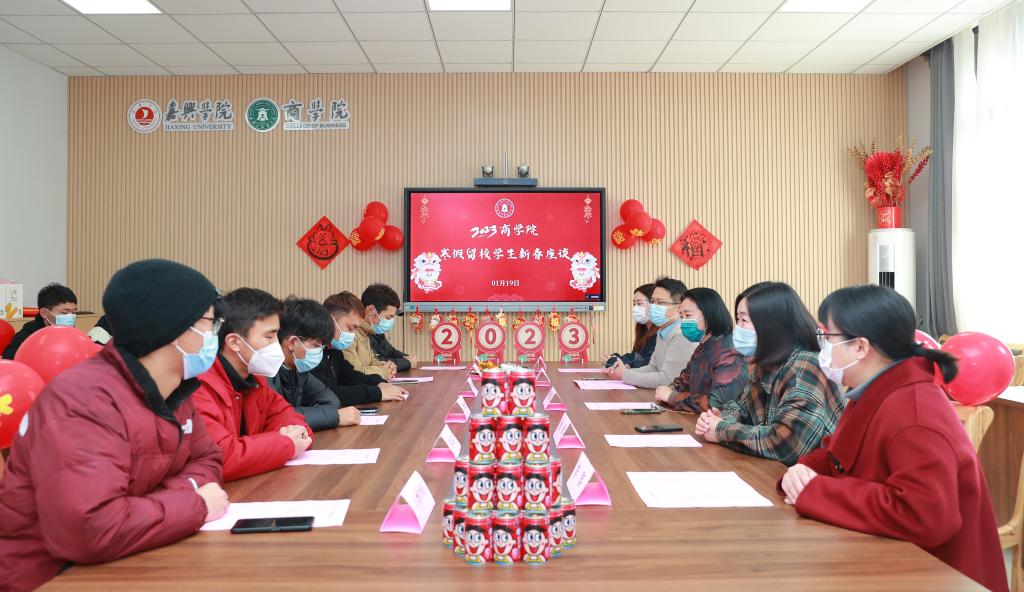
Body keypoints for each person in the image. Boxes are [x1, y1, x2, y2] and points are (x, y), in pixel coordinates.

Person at [0, 259, 228, 592]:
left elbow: (208, 459)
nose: (214, 335)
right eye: (210, 322)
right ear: (171, 327)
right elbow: (89, 530)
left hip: (131, 557)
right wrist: (196, 504)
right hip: (51, 578)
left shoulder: (175, 387)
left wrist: (155, 503)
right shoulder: (82, 401)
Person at [778, 285, 1007, 591]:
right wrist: (802, 470)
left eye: (827, 337)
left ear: (860, 347)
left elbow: (924, 516)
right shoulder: (876, 389)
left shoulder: (916, 411)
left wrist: (815, 491)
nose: (823, 348)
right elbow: (839, 455)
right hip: (885, 559)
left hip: (938, 575)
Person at [695, 282, 844, 466]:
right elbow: (743, 410)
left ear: (771, 325)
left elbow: (787, 445)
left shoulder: (804, 366)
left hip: (811, 477)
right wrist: (718, 418)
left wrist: (722, 429)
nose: (737, 328)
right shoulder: (766, 364)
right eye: (737, 320)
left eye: (744, 321)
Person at [192, 288, 313, 481]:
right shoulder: (199, 384)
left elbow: (295, 423)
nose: (277, 345)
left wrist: (290, 438)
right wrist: (285, 444)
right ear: (234, 342)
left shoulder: (255, 380)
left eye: (277, 335)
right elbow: (221, 457)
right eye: (269, 337)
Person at [267, 297, 360, 432]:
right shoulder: (266, 371)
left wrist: (318, 415)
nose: (319, 352)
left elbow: (332, 400)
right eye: (316, 346)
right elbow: (279, 418)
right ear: (292, 343)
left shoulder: (299, 370)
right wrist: (334, 416)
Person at [654, 287, 747, 412]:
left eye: (688, 315)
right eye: (681, 316)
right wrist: (670, 390)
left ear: (709, 315)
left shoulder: (730, 352)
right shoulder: (703, 346)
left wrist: (672, 397)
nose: (683, 322)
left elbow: (715, 404)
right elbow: (682, 381)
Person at [313, 291, 409, 406]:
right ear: (330, 321)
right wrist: (377, 393)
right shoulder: (312, 353)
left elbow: (350, 375)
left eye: (356, 329)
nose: (353, 334)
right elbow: (329, 393)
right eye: (350, 328)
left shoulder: (334, 350)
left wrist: (379, 383)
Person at [604, 277, 697, 388]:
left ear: (678, 308)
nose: (653, 307)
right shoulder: (662, 331)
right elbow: (652, 368)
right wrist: (623, 372)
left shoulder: (682, 335)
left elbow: (668, 380)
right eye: (652, 302)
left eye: (660, 302)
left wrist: (625, 375)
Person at [2, 282, 78, 359]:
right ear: (44, 312)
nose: (70, 317)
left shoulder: (73, 334)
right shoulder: (26, 337)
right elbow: (10, 360)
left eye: (74, 312)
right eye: (64, 313)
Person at [362, 283, 416, 371]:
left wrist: (406, 357)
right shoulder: (356, 332)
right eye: (388, 317)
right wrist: (407, 363)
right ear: (371, 310)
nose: (391, 321)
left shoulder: (376, 330)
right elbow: (376, 362)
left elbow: (390, 351)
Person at [605, 283, 657, 368]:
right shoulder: (643, 330)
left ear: (654, 304)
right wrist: (616, 358)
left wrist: (614, 361)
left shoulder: (659, 334)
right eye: (634, 304)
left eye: (639, 303)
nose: (635, 308)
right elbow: (634, 357)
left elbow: (644, 366)